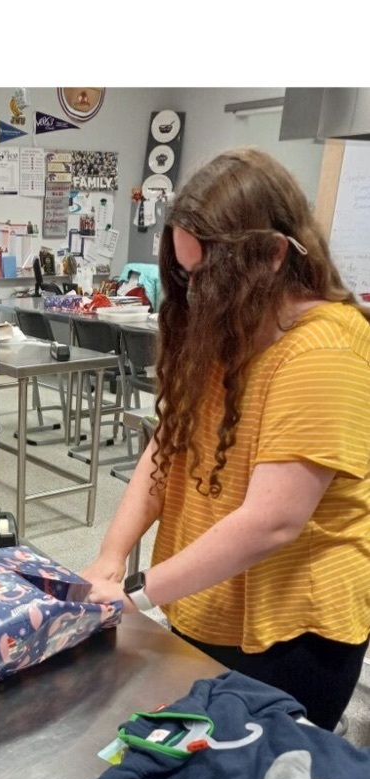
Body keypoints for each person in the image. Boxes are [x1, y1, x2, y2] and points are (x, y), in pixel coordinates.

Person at [82, 147, 370, 731]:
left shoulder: (326, 351)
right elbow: (165, 451)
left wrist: (137, 593)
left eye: (208, 275)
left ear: (269, 257)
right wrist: (109, 562)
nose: (195, 293)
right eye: (185, 276)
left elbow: (272, 522)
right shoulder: (227, 324)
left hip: (289, 631)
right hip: (206, 597)